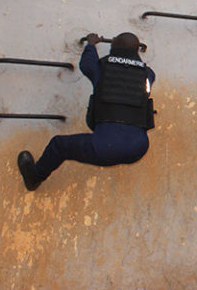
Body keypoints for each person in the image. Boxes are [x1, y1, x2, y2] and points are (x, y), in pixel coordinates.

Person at [16, 32, 156, 191]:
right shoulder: (148, 74)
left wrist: (91, 44)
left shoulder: (103, 69)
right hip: (139, 147)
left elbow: (86, 65)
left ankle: (34, 178)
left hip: (104, 147)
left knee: (58, 146)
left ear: (114, 47)